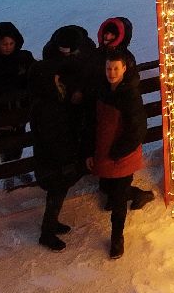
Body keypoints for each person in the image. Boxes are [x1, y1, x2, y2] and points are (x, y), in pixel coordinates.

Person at [90, 49, 145, 260]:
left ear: (123, 68)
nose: (111, 72)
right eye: (108, 68)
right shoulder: (103, 90)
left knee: (119, 197)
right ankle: (140, 194)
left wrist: (118, 152)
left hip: (122, 155)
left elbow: (137, 130)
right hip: (105, 152)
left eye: (115, 68)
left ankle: (117, 238)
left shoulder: (130, 96)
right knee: (107, 188)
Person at [28, 61, 85, 252]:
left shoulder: (48, 101)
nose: (59, 80)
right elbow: (52, 137)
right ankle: (47, 232)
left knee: (57, 195)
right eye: (56, 78)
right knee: (56, 194)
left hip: (53, 161)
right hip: (54, 163)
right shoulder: (46, 106)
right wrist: (66, 156)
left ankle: (51, 224)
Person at [0, 21, 36, 168]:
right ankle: (8, 169)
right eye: (4, 44)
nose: (8, 47)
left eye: (11, 43)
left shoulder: (25, 58)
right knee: (4, 143)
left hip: (20, 113)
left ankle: (15, 168)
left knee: (18, 141)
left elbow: (35, 76)